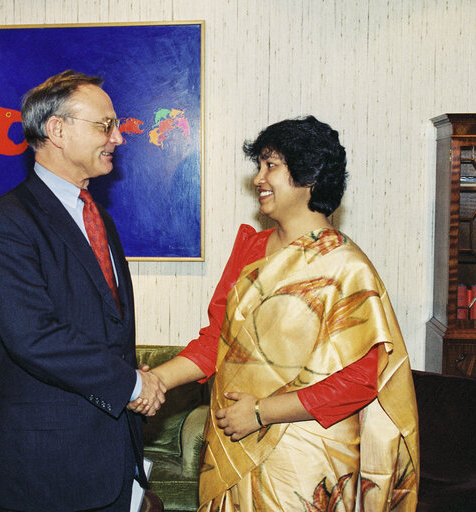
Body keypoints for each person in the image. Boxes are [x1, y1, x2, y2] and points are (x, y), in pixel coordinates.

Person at [143, 116, 419, 511]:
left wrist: (260, 412)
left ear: (309, 176)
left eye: (271, 165)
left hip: (306, 457)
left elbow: (362, 379)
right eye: (260, 166)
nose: (259, 178)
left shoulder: (346, 267)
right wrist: (154, 381)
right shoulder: (250, 249)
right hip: (232, 440)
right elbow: (216, 341)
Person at [0, 70, 166, 511]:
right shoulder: (4, 224)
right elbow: (33, 336)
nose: (117, 137)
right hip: (44, 470)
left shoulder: (99, 218)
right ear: (57, 130)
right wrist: (134, 384)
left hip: (113, 457)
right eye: (105, 125)